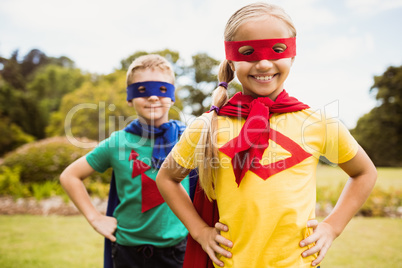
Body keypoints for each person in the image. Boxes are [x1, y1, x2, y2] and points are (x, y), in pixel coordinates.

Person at [156, 2, 377, 268]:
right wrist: (200, 232)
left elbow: (364, 172)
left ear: (292, 55)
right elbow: (167, 178)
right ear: (231, 60)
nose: (263, 63)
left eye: (277, 50)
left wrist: (332, 227)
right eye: (248, 52)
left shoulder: (319, 124)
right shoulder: (208, 125)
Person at [60, 54, 190, 268]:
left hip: (177, 251)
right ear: (129, 98)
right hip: (127, 252)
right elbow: (70, 176)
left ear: (173, 97)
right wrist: (95, 218)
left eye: (162, 89)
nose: (153, 97)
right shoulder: (118, 142)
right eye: (142, 90)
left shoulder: (188, 139)